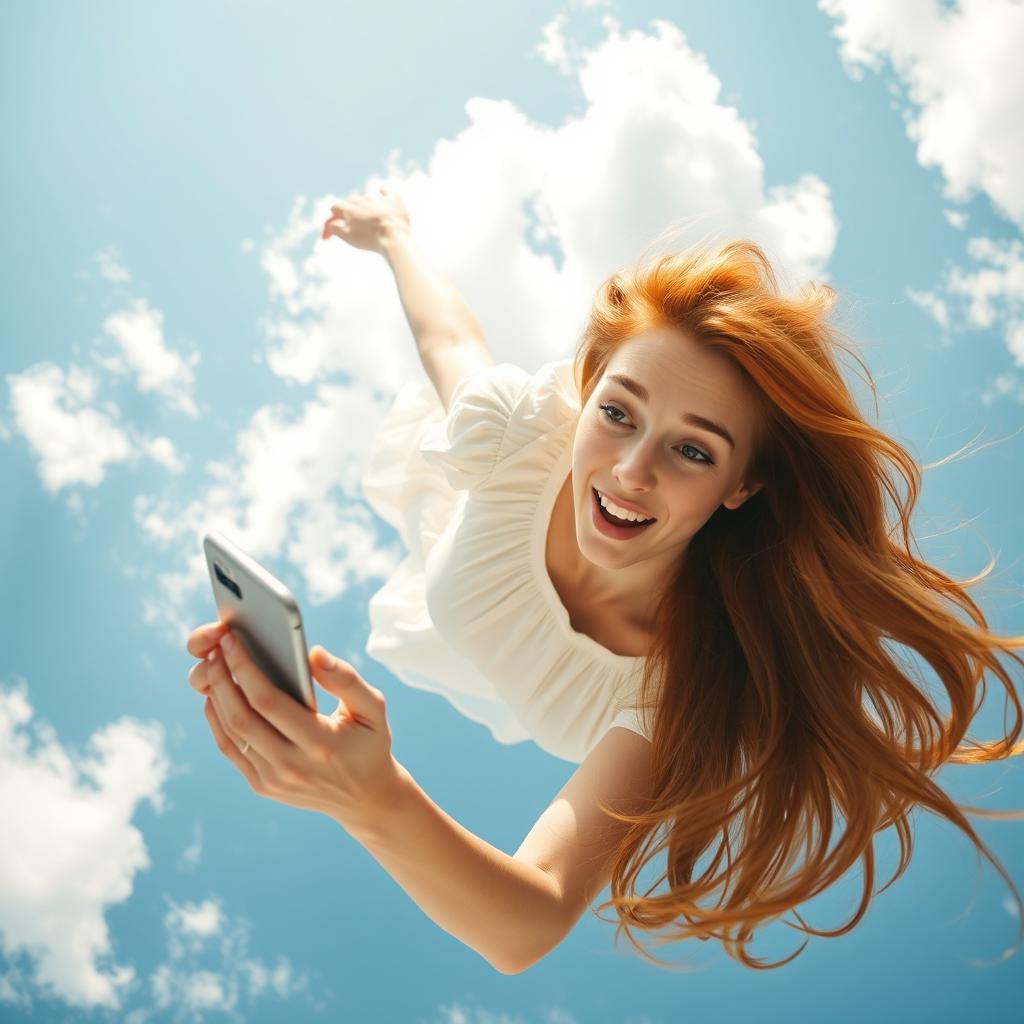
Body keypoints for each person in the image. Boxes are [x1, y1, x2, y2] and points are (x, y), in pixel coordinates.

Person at [185, 187, 1024, 974]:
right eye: (618, 413)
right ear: (585, 398)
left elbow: (531, 919)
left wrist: (371, 798)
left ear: (742, 486)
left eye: (692, 450)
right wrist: (393, 234)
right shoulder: (519, 438)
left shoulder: (681, 691)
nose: (630, 471)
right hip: (460, 553)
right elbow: (447, 337)